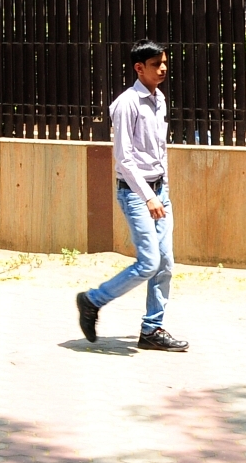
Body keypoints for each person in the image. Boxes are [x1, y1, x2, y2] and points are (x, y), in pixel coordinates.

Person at [75, 41, 187, 352]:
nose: (163, 68)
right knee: (149, 262)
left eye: (164, 62)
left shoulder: (159, 99)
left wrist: (161, 190)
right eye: (156, 64)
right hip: (137, 194)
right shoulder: (127, 104)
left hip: (159, 190)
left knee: (165, 263)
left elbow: (156, 149)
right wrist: (148, 196)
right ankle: (92, 300)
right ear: (139, 68)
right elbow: (124, 158)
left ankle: (152, 329)